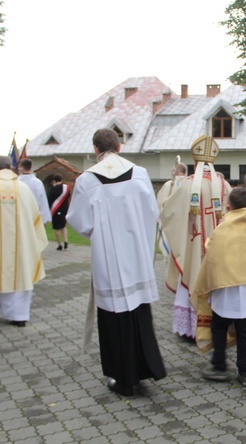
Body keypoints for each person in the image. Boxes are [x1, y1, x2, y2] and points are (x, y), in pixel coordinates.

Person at [66, 128, 166, 397]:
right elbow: (152, 213)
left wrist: (101, 233)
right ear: (119, 147)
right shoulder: (140, 173)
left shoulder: (87, 180)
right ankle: (144, 369)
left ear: (96, 149)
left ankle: (124, 379)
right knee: (138, 312)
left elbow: (79, 221)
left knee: (114, 316)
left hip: (109, 257)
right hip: (136, 255)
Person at [194, 187, 246, 387]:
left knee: (219, 325)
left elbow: (212, 251)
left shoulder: (222, 228)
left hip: (225, 286)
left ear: (228, 205)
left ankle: (219, 364)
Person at [160, 135, 232, 340]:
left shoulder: (189, 185)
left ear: (194, 162)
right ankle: (217, 328)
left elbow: (169, 214)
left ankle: (193, 330)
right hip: (219, 248)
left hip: (195, 249)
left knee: (192, 276)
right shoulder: (224, 185)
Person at [0, 155, 48, 327]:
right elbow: (35, 217)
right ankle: (18, 315)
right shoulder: (22, 188)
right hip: (21, 243)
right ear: (12, 167)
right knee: (21, 272)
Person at [156, 160, 188, 260]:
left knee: (170, 257)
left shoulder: (168, 185)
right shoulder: (190, 183)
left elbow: (159, 204)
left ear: (175, 171)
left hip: (170, 224)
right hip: (185, 224)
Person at [18, 158, 52, 225]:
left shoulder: (16, 182)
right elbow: (43, 202)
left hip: (25, 214)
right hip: (31, 214)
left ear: (21, 168)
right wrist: (44, 219)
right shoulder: (38, 183)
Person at [48, 175, 71, 251]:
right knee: (63, 226)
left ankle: (59, 245)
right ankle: (66, 241)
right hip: (64, 208)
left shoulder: (53, 189)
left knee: (57, 228)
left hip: (56, 209)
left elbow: (50, 200)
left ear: (54, 181)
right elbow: (69, 197)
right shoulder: (66, 188)